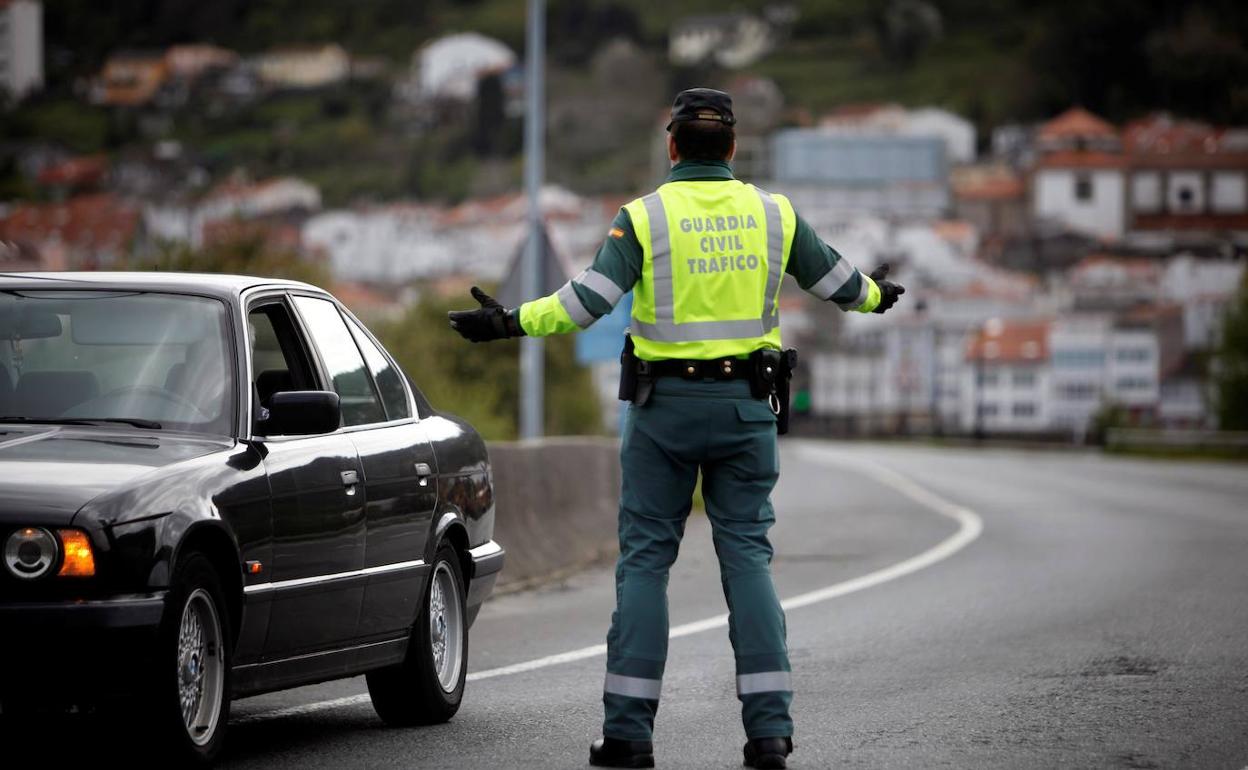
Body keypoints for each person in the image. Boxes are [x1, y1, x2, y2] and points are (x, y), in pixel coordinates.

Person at [448, 87, 904, 769]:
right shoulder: (772, 214)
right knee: (746, 558)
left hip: (664, 415)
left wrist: (509, 321)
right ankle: (770, 734)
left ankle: (629, 735)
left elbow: (588, 302)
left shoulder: (645, 219)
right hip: (748, 410)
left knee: (644, 565)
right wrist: (876, 293)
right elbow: (838, 280)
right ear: (732, 147)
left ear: (671, 145)